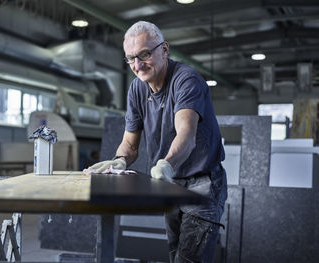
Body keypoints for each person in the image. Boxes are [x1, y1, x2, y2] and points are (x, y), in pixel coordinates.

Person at [87, 21, 227, 263]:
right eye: (131, 58)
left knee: (189, 259)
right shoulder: (137, 90)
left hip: (201, 184)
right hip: (170, 185)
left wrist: (166, 164)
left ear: (164, 49)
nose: (138, 65)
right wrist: (119, 161)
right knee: (175, 255)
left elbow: (187, 133)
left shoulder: (186, 80)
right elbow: (130, 145)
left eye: (144, 54)